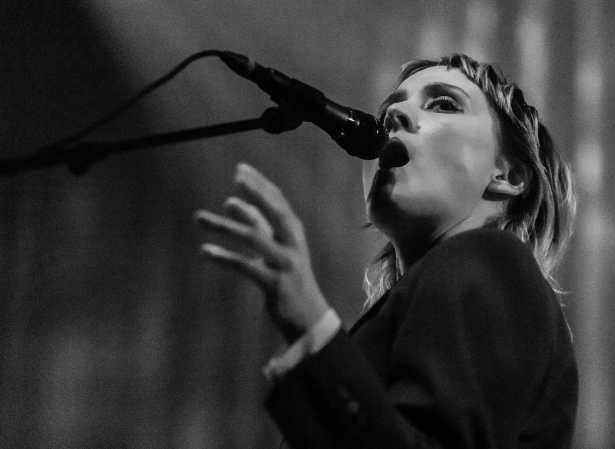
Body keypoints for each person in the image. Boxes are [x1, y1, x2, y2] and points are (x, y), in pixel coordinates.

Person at [195, 53, 578, 449]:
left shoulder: (492, 259)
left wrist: (312, 328)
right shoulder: (417, 310)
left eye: (443, 104)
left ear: (507, 175)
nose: (395, 115)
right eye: (388, 110)